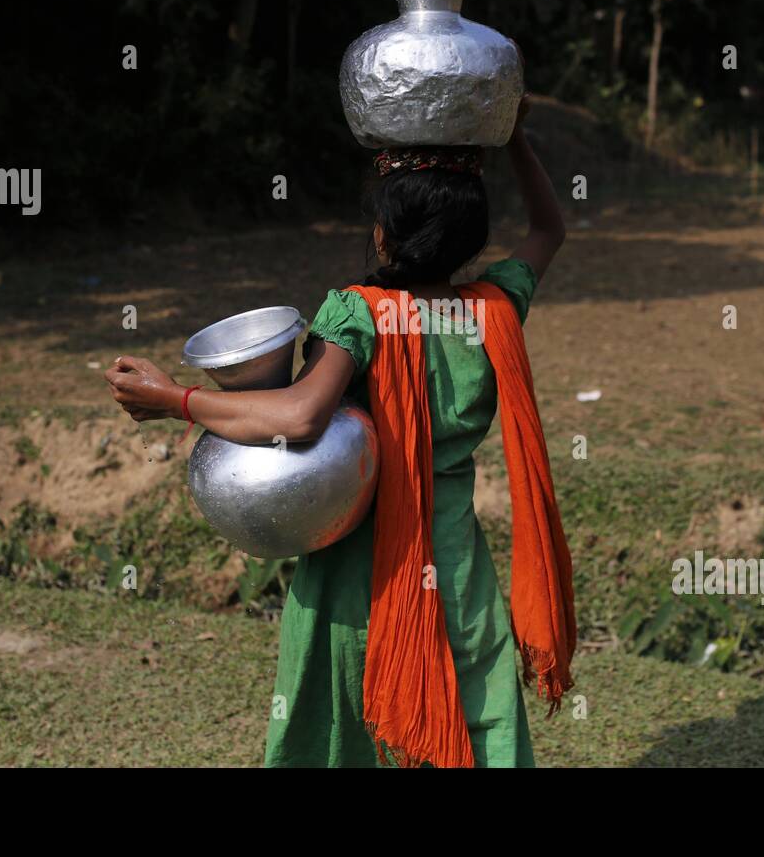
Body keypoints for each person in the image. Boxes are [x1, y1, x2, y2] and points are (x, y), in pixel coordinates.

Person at [106, 92, 575, 768]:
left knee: (345, 715)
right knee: (476, 705)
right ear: (469, 232)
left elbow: (299, 416)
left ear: (389, 231)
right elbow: (549, 229)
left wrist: (176, 398)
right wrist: (516, 139)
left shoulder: (358, 313)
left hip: (363, 562)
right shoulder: (493, 308)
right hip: (458, 567)